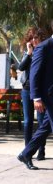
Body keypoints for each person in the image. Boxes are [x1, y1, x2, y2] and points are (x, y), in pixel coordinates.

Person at [17, 34, 53, 170]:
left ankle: (26, 154)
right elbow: (34, 73)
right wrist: (36, 97)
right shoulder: (44, 47)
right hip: (49, 96)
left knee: (45, 127)